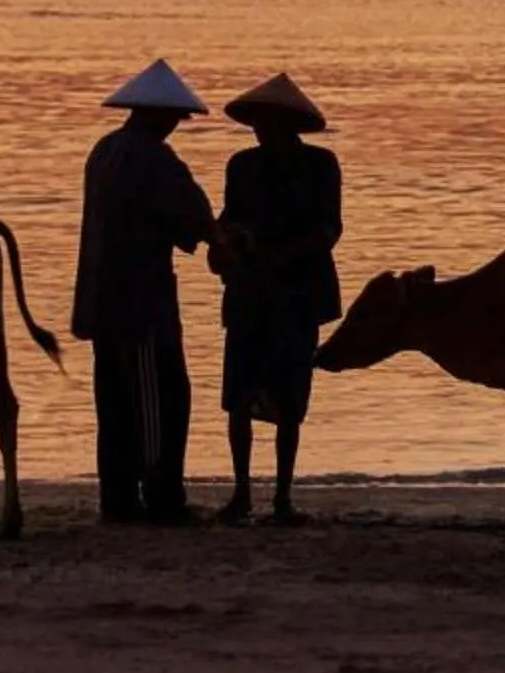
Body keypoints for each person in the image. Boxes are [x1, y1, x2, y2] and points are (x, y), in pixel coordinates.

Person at [70, 58, 216, 525]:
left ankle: (118, 498)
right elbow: (192, 214)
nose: (175, 126)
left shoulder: (104, 151)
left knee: (114, 401)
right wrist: (221, 238)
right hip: (141, 301)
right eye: (174, 118)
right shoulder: (152, 157)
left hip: (101, 298)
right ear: (159, 115)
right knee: (160, 398)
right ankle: (162, 495)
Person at [210, 71, 343, 528]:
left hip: (298, 295)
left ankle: (282, 496)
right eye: (257, 123)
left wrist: (280, 257)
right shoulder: (241, 166)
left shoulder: (321, 166)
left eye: (268, 123)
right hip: (249, 292)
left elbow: (329, 229)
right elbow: (229, 217)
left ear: (289, 124)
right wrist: (224, 243)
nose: (260, 131)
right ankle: (242, 492)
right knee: (238, 397)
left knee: (290, 400)